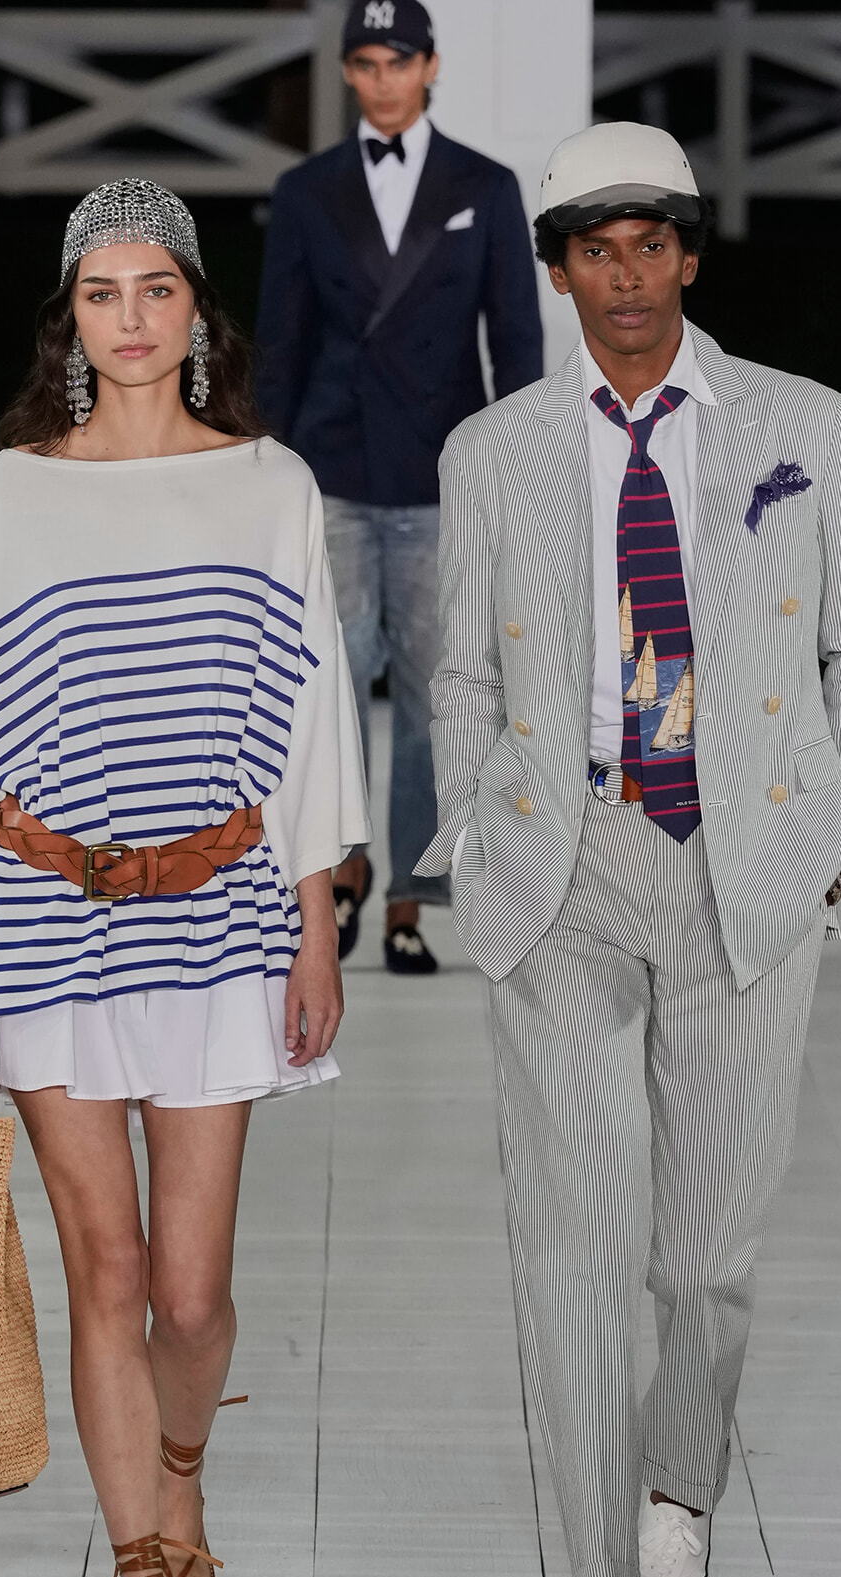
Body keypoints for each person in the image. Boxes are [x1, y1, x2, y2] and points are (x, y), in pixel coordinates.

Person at [415, 122, 841, 1577]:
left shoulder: (803, 425)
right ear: (557, 273)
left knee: (707, 1256)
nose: (624, 277)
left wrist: (839, 838)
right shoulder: (494, 450)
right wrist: (480, 832)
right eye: (593, 251)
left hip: (747, 863)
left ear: (688, 254)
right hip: (567, 863)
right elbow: (462, 670)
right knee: (572, 1246)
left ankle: (680, 1478)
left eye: (650, 245)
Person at [0, 180, 369, 1577]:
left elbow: (313, 719)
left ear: (197, 309)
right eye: (101, 293)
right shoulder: (9, 494)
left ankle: (182, 1475)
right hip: (43, 909)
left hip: (222, 915)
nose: (131, 318)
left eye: (156, 288)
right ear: (70, 318)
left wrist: (316, 923)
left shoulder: (269, 486)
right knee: (104, 1265)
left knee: (189, 1290)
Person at [255, 0, 542, 974]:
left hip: (439, 470)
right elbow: (282, 338)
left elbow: (515, 339)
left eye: (399, 61)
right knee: (329, 688)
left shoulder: (485, 186)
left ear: (431, 66)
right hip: (332, 465)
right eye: (368, 62)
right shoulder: (305, 191)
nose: (384, 80)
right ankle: (343, 868)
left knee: (431, 695)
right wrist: (267, 469)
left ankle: (411, 899)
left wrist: (519, 472)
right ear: (347, 71)